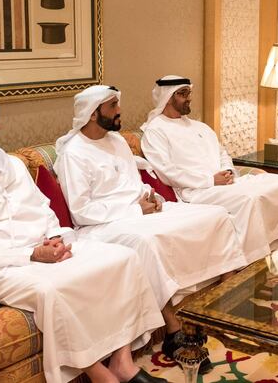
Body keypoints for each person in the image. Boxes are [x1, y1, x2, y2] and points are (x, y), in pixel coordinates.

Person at [0, 94, 166, 383]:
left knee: (122, 258)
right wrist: (31, 255)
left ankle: (122, 362)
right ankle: (100, 375)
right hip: (0, 267)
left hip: (45, 250)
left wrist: (55, 237)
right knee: (55, 289)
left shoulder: (10, 164)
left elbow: (42, 208)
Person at [54, 85, 250, 367]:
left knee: (214, 216)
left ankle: (222, 306)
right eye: (112, 106)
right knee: (146, 243)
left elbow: (135, 184)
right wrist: (136, 209)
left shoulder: (117, 142)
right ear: (93, 114)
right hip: (104, 225)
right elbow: (82, 211)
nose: (119, 110)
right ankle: (173, 332)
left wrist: (151, 197)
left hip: (141, 212)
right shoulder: (75, 153)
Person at [140, 76, 278, 258]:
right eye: (182, 94)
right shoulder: (155, 131)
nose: (189, 98)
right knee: (248, 199)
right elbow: (167, 173)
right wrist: (211, 180)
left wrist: (228, 171)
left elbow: (222, 153)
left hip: (226, 183)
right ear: (167, 98)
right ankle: (253, 261)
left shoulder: (200, 127)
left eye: (189, 93)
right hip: (196, 191)